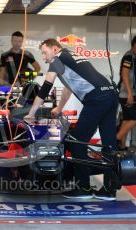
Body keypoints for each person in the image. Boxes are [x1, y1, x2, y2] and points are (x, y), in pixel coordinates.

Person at [24, 39, 119, 201]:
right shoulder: (71, 55)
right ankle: (109, 190)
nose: (44, 58)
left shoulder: (57, 59)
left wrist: (31, 113)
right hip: (111, 94)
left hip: (97, 98)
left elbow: (46, 87)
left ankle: (83, 187)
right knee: (109, 143)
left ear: (55, 49)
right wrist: (59, 108)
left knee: (76, 142)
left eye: (45, 53)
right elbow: (69, 86)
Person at [116, 35, 136, 150]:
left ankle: (122, 147)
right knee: (134, 120)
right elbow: (124, 74)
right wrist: (129, 93)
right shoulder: (128, 57)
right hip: (126, 94)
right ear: (135, 45)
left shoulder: (132, 57)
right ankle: (116, 140)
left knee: (127, 120)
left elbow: (132, 77)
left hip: (130, 93)